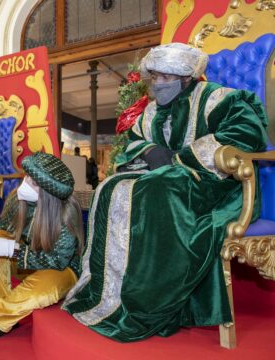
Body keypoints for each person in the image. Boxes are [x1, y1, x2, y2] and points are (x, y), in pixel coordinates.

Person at [62, 43, 268, 342]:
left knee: (152, 190)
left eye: (165, 78)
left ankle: (145, 299)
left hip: (218, 184)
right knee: (108, 188)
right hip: (169, 176)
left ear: (185, 77)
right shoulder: (150, 110)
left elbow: (248, 135)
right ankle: (104, 291)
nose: (158, 84)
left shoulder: (221, 99)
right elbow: (134, 142)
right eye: (155, 77)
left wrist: (180, 157)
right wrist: (151, 151)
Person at [0, 152, 84, 339]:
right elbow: (3, 231)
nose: (25, 182)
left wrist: (10, 249)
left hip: (62, 270)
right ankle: (7, 308)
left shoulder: (66, 212)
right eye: (27, 176)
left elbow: (58, 261)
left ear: (48, 192)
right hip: (26, 262)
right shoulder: (17, 198)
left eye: (32, 182)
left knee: (40, 292)